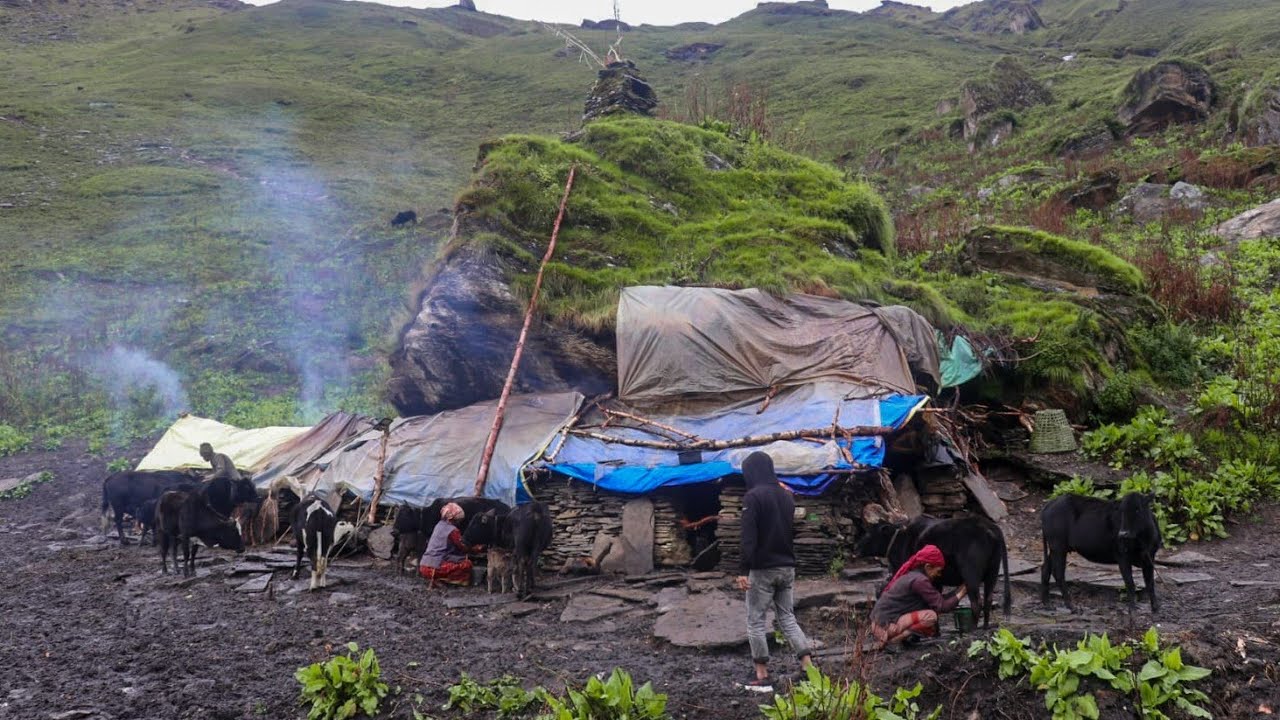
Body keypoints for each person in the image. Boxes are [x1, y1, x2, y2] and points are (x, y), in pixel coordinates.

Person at [736, 451, 813, 693]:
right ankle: (808, 669)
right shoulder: (786, 496)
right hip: (787, 567)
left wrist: (742, 570)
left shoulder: (753, 497)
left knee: (755, 620)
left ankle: (762, 675)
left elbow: (749, 538)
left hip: (763, 570)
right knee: (787, 618)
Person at [868, 544, 968, 650]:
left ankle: (896, 637)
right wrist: (962, 593)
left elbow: (937, 599)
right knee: (931, 616)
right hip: (885, 627)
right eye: (938, 571)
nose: (939, 575)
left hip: (879, 623)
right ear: (928, 567)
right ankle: (894, 640)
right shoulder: (920, 581)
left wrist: (958, 590)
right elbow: (942, 606)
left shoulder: (913, 576)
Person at [419, 503, 484, 586]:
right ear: (454, 519)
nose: (460, 522)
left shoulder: (439, 525)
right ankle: (445, 580)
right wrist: (476, 549)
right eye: (459, 520)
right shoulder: (453, 530)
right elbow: (463, 547)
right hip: (435, 568)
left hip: (423, 565)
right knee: (467, 564)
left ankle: (437, 578)